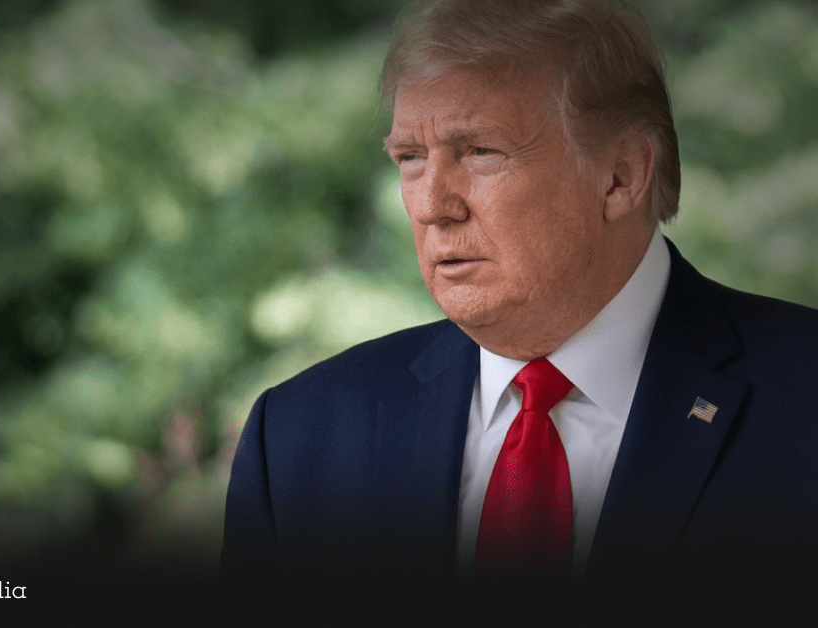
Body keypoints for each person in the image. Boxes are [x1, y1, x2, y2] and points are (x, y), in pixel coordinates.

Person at [221, 0, 818, 583]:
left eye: (481, 152)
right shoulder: (297, 437)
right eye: (409, 158)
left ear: (621, 176)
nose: (432, 207)